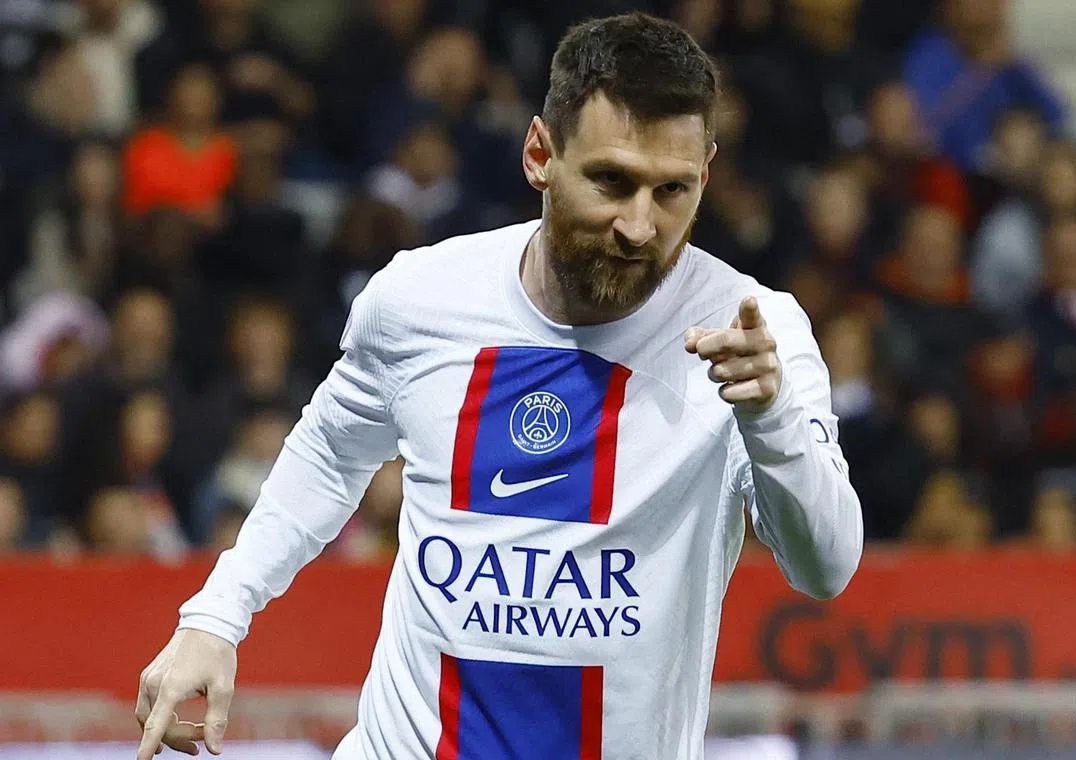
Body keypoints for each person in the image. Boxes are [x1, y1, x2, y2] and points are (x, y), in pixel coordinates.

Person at [134, 12, 863, 760]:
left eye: (672, 190)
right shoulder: (421, 298)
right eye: (612, 181)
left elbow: (825, 567)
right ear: (540, 154)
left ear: (706, 176)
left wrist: (769, 421)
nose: (640, 225)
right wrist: (217, 615)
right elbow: (329, 453)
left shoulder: (753, 336)